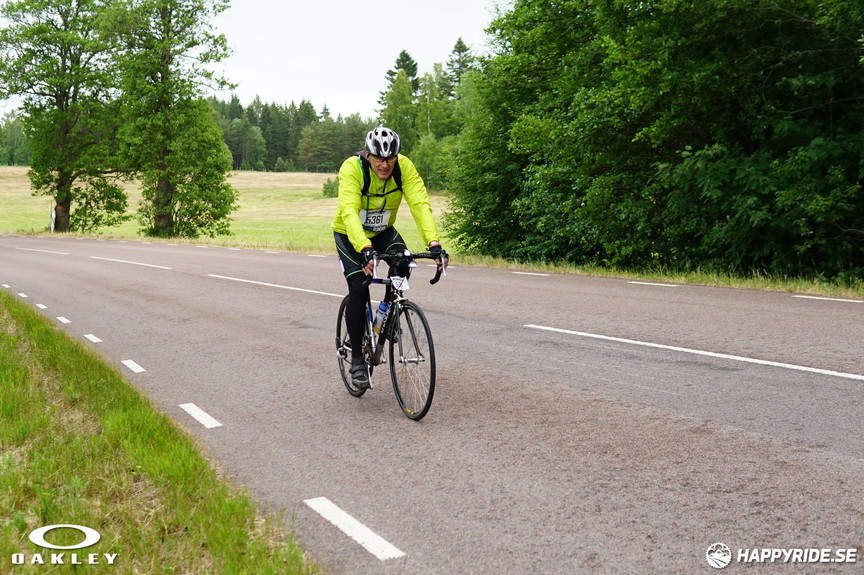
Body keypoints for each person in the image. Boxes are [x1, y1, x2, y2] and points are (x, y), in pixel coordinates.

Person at [331, 127, 446, 390]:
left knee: (404, 262)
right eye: (378, 159)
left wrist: (434, 242)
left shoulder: (404, 167)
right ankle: (358, 361)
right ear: (367, 155)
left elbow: (419, 203)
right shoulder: (352, 168)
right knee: (359, 287)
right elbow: (348, 211)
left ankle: (385, 317)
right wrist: (364, 247)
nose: (384, 165)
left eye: (390, 159)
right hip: (350, 235)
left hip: (383, 231)